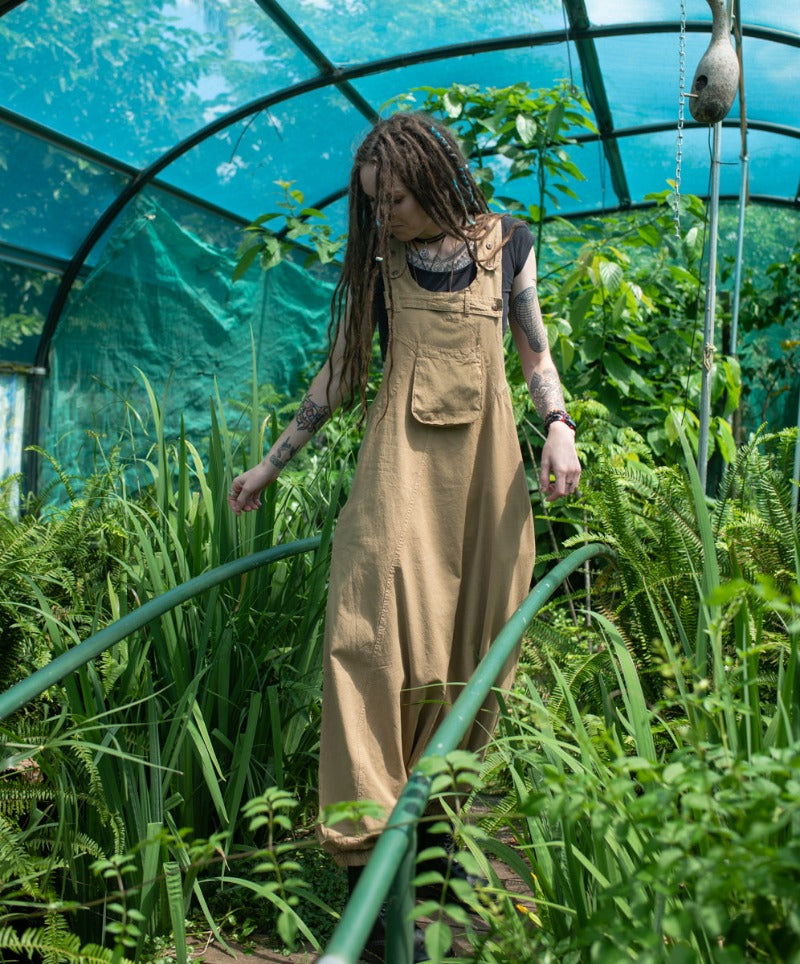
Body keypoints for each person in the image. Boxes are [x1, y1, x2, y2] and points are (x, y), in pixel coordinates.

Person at [228, 112, 581, 872]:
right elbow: (343, 372)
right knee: (370, 634)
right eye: (372, 204)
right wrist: (271, 464)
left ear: (431, 178)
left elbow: (536, 352)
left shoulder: (508, 244)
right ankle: (366, 852)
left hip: (487, 482)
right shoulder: (380, 265)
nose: (381, 215)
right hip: (399, 474)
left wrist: (558, 426)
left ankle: (435, 838)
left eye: (392, 200)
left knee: (477, 646)